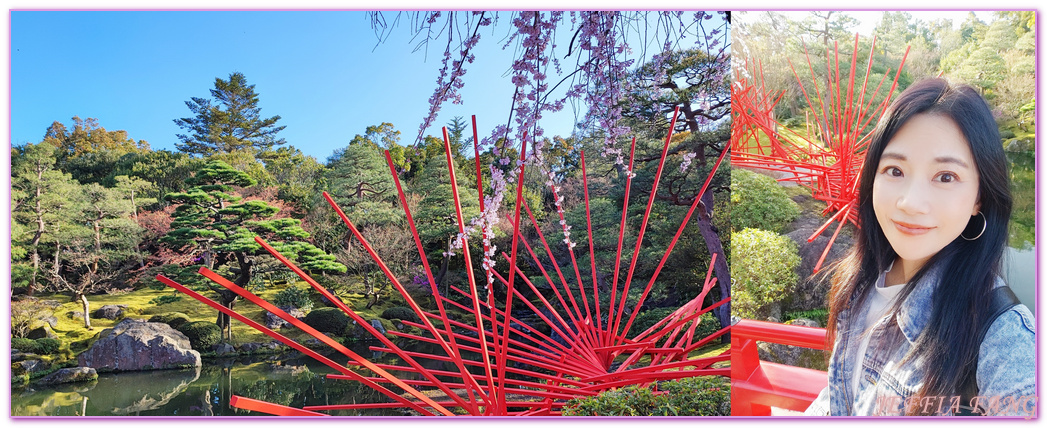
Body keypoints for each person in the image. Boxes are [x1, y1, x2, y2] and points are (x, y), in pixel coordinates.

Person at [804, 78, 1035, 416]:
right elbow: (838, 397)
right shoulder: (860, 280)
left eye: (945, 177)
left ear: (979, 198)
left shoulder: (1003, 334)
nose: (911, 203)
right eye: (895, 170)